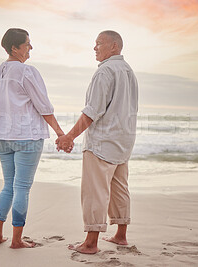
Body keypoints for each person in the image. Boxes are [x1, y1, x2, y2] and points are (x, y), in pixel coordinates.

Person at [56, 30, 138, 254]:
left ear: (114, 46)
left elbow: (92, 112)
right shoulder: (128, 71)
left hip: (103, 141)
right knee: (119, 187)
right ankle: (120, 235)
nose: (95, 48)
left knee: (95, 191)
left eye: (99, 44)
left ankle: (91, 242)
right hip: (124, 140)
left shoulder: (105, 72)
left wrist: (69, 137)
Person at [0, 28, 67, 248]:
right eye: (27, 44)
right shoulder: (26, 71)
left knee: (8, 187)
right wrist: (60, 133)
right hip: (27, 136)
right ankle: (17, 240)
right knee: (21, 187)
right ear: (15, 47)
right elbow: (43, 106)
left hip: (2, 137)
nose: (31, 47)